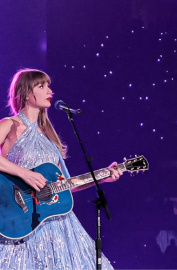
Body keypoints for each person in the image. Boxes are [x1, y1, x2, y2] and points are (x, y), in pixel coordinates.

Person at [0, 68, 122, 269]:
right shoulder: (10, 125)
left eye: (48, 86)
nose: (50, 91)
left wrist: (101, 177)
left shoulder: (48, 135)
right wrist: (24, 173)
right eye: (42, 86)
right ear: (26, 93)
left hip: (58, 224)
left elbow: (65, 185)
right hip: (22, 221)